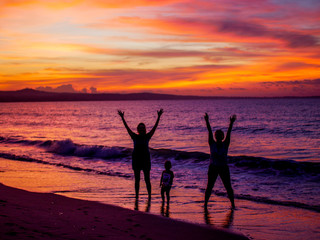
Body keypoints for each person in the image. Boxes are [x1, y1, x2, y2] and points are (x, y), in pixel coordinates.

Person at [118, 109, 163, 199]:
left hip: (146, 160)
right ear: (138, 129)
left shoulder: (147, 136)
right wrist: (123, 118)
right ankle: (137, 196)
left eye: (143, 128)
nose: (142, 129)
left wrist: (158, 117)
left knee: (147, 179)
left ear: (145, 129)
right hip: (136, 160)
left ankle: (149, 196)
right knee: (137, 180)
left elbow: (155, 128)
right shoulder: (134, 136)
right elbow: (127, 128)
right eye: (140, 128)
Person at [204, 113, 236, 209]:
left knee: (228, 186)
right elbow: (209, 131)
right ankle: (205, 204)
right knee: (209, 186)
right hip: (213, 167)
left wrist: (231, 123)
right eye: (217, 134)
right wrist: (207, 121)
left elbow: (229, 132)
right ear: (215, 136)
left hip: (223, 167)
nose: (218, 136)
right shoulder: (212, 143)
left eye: (220, 135)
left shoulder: (225, 144)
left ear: (222, 137)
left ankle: (233, 205)